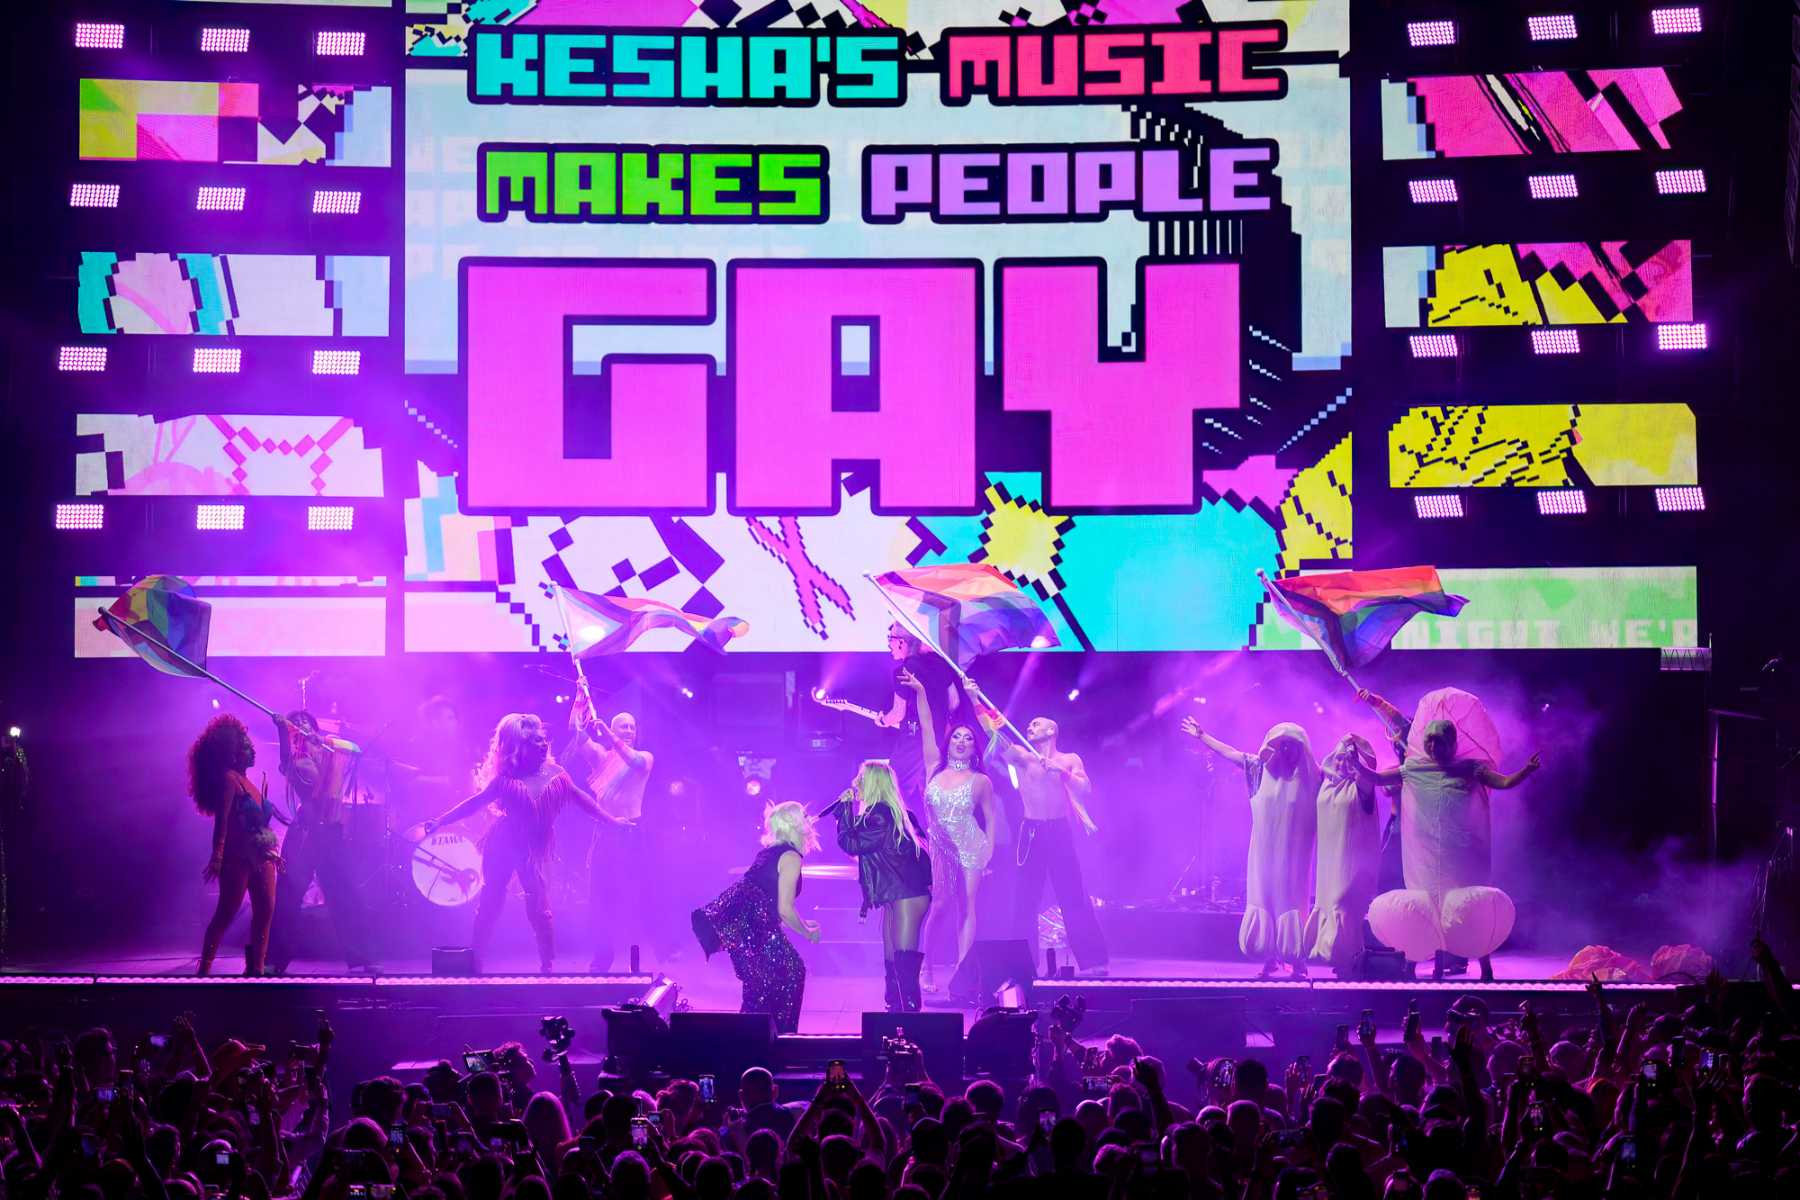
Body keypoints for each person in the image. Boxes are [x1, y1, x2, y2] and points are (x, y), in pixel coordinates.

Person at [416, 712, 625, 973]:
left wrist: (612, 821)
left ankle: (547, 964)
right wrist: (440, 821)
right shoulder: (506, 780)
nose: (543, 744)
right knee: (491, 901)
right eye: (535, 741)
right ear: (519, 747)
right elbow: (474, 803)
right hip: (502, 846)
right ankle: (476, 959)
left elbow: (583, 800)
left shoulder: (557, 775)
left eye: (543, 740)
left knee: (539, 904)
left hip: (531, 849)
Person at [1357, 689, 1542, 980]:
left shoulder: (1471, 768)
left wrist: (1526, 772)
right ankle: (1414, 964)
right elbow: (1379, 777)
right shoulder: (1414, 768)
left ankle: (1484, 965)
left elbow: (1503, 782)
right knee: (1425, 903)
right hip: (1425, 853)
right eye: (1429, 741)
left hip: (1462, 852)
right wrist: (1357, 765)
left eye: (1439, 742)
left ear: (1453, 743)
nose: (1433, 747)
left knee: (1469, 905)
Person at [1181, 718, 1319, 978]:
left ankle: (1297, 960)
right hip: (1263, 853)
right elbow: (1229, 752)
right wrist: (1202, 735)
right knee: (1265, 898)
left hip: (1294, 856)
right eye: (1282, 744)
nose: (1287, 750)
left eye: (1292, 745)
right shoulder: (1258, 769)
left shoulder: (1311, 777)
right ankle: (1270, 957)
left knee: (1291, 901)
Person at [904, 671, 999, 994]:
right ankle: (926, 967)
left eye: (967, 738)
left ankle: (962, 971)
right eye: (957, 736)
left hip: (971, 846)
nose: (961, 741)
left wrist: (988, 851)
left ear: (974, 747)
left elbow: (991, 818)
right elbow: (926, 726)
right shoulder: (934, 767)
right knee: (940, 906)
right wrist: (920, 692)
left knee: (967, 906)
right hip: (939, 847)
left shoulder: (981, 781)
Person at [692, 800, 821, 1032]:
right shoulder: (791, 857)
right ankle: (779, 1041)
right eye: (803, 815)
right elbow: (783, 909)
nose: (809, 819)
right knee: (790, 973)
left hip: (745, 931)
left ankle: (755, 1041)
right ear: (794, 824)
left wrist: (801, 922)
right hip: (754, 932)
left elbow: (764, 900)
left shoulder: (769, 853)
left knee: (760, 990)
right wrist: (807, 933)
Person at [266, 711, 375, 976]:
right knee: (288, 894)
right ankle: (275, 961)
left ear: (314, 729)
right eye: (296, 725)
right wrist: (282, 731)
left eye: (305, 723)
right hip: (305, 833)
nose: (301, 727)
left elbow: (355, 749)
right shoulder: (296, 760)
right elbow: (284, 760)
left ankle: (360, 958)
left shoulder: (331, 751)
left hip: (331, 832)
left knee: (346, 892)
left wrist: (322, 741)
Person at [1005, 717, 1109, 977]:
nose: (1030, 727)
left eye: (1036, 724)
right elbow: (993, 733)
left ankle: (1093, 960)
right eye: (1029, 725)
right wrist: (975, 700)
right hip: (1031, 831)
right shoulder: (1022, 756)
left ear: (1051, 730)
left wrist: (1060, 771)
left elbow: (1085, 788)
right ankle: (1022, 965)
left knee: (1073, 896)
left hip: (1060, 831)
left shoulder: (1069, 759)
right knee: (1025, 899)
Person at [563, 689, 655, 972]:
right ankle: (602, 957)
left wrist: (610, 736)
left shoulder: (644, 757)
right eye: (622, 726)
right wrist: (579, 697)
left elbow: (633, 761)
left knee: (633, 896)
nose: (628, 731)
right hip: (606, 834)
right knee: (600, 898)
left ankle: (636, 958)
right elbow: (576, 731)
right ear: (612, 729)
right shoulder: (601, 757)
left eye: (631, 727)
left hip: (632, 835)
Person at [829, 760, 932, 1011]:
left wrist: (844, 811)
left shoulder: (880, 814)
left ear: (874, 783)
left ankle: (908, 1013)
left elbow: (851, 844)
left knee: (904, 958)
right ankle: (894, 1007)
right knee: (893, 958)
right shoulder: (893, 813)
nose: (855, 783)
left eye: (861, 778)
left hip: (907, 895)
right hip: (897, 894)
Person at [188, 713, 280, 976]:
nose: (253, 750)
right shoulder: (230, 779)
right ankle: (204, 971)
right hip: (237, 858)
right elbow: (223, 821)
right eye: (247, 747)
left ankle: (257, 969)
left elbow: (260, 826)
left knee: (265, 911)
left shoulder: (250, 782)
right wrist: (217, 856)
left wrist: (272, 852)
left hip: (261, 857)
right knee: (227, 912)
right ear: (233, 753)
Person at [1305, 733, 1382, 977]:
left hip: (1352, 860)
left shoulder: (1361, 786)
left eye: (1348, 760)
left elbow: (1370, 766)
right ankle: (1343, 962)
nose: (1341, 763)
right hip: (1329, 859)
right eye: (1338, 758)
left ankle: (1349, 961)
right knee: (1329, 903)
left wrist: (1357, 744)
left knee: (1344, 906)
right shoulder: (1326, 782)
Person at [876, 624, 961, 807]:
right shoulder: (940, 664)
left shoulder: (902, 672)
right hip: (939, 740)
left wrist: (883, 720)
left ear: (901, 642)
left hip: (913, 740)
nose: (889, 644)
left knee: (893, 790)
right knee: (932, 795)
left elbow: (898, 714)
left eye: (890, 639)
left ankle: (891, 824)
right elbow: (954, 701)